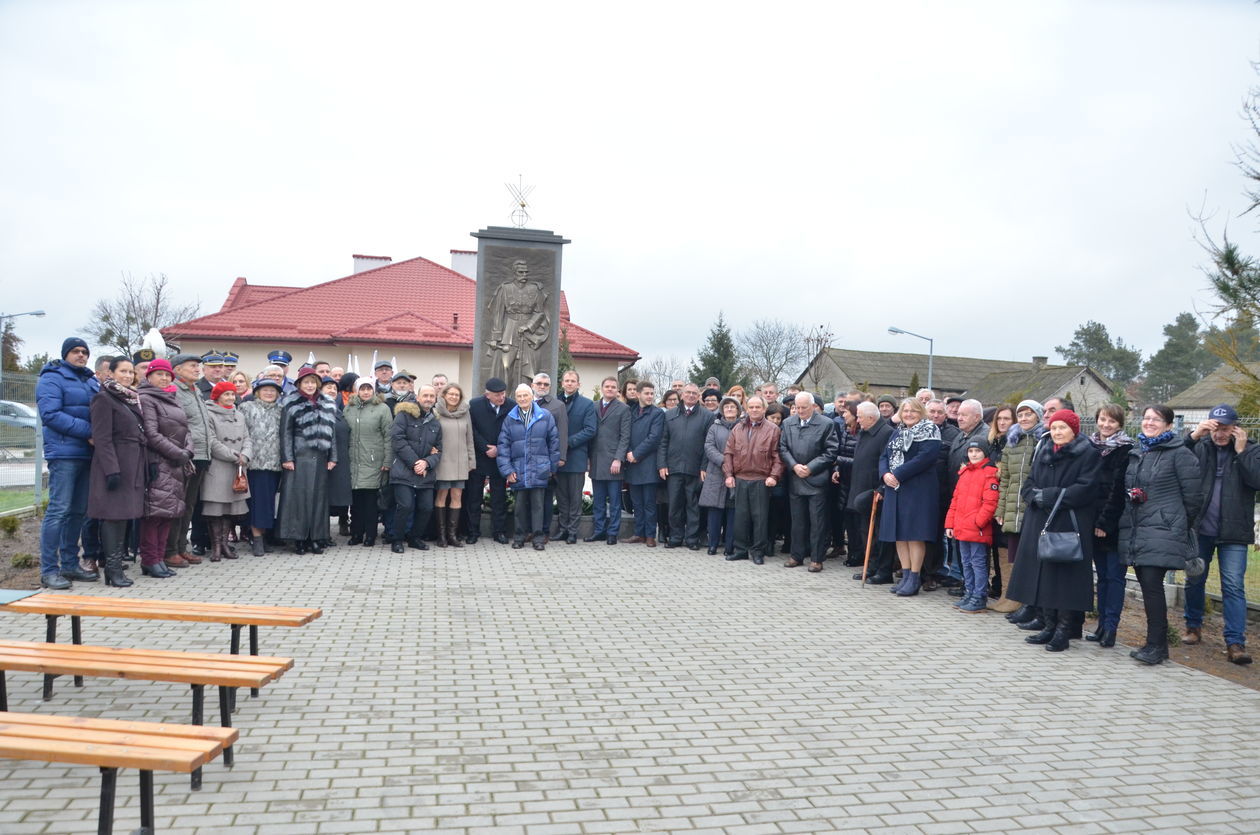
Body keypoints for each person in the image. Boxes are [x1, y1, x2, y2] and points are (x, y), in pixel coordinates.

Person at [1006, 409, 1102, 653]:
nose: (1057, 432)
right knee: (1043, 575)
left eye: (1063, 428)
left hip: (1069, 522)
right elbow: (1029, 481)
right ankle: (1048, 625)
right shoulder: (1044, 447)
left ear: (1074, 430)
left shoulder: (1088, 453)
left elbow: (1087, 487)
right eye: (1055, 427)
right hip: (1040, 519)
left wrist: (1052, 496)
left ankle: (1064, 630)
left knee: (1064, 579)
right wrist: (1033, 496)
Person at [1117, 405, 1204, 665]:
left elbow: (1194, 499)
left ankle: (1157, 645)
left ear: (1168, 425)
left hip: (1164, 531)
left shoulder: (1180, 454)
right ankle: (1155, 644)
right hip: (1138, 528)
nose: (1149, 422)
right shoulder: (1137, 453)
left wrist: (1174, 522)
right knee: (1147, 586)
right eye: (1146, 418)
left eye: (1155, 419)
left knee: (1153, 587)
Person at [1183, 404, 1259, 664]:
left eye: (1225, 429)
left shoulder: (1251, 450)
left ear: (1236, 429)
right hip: (1200, 528)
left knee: (1233, 586)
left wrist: (1241, 452)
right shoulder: (1200, 447)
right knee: (1194, 579)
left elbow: (1256, 481)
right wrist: (1194, 435)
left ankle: (1235, 642)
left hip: (1234, 532)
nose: (1220, 434)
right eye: (1216, 428)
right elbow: (1175, 460)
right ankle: (1193, 627)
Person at [35, 336, 100, 588]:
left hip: (88, 453)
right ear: (65, 354)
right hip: (64, 454)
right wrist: (89, 431)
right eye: (75, 351)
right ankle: (49, 570)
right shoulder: (52, 378)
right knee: (59, 511)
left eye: (85, 351)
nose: (81, 355)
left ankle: (71, 565)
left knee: (77, 512)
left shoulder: (90, 380)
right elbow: (50, 414)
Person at [87, 356, 143, 587]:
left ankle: (116, 567)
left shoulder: (128, 398)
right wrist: (111, 470)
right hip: (114, 466)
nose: (128, 376)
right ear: (110, 373)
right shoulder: (104, 398)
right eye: (123, 371)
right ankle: (112, 568)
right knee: (113, 517)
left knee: (124, 518)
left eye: (131, 372)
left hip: (132, 465)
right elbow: (102, 438)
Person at [878, 398, 942, 596]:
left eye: (913, 411)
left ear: (921, 412)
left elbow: (924, 458)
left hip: (918, 489)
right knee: (899, 534)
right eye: (905, 411)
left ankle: (914, 577)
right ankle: (905, 576)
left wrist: (898, 474)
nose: (908, 414)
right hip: (894, 488)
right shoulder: (898, 431)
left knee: (914, 535)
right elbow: (884, 456)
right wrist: (885, 474)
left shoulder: (930, 430)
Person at [1084, 403, 1134, 647]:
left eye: (1111, 422)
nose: (1106, 425)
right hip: (1092, 521)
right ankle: (1101, 624)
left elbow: (1117, 491)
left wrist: (1105, 522)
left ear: (1119, 425)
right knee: (1101, 577)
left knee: (1114, 578)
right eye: (1102, 419)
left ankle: (1111, 627)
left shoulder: (1126, 450)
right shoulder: (1091, 447)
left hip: (1113, 525)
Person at [136, 359, 192, 578]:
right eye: (159, 374)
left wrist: (188, 450)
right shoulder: (147, 398)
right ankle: (150, 560)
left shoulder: (172, 398)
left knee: (169, 513)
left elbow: (185, 430)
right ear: (148, 377)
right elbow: (151, 433)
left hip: (176, 463)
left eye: (167, 375)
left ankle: (159, 558)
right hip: (158, 461)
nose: (164, 378)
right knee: (154, 514)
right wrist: (177, 453)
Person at [279, 365, 339, 554]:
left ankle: (316, 537)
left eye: (313, 382)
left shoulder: (328, 403)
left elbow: (332, 434)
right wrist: (287, 457)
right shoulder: (291, 403)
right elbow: (285, 433)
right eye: (306, 382)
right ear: (299, 384)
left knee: (319, 500)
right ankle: (298, 539)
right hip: (299, 457)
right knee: (297, 499)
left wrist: (333, 457)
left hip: (321, 458)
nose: (310, 385)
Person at [779, 391, 839, 572]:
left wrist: (810, 467)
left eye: (804, 407)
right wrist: (794, 466)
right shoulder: (788, 423)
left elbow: (831, 451)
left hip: (816, 480)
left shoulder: (827, 424)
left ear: (813, 406)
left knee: (817, 521)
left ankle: (816, 558)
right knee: (797, 521)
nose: (800, 411)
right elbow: (783, 448)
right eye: (797, 407)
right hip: (795, 478)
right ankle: (796, 555)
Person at [998, 400, 1047, 619]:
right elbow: (1005, 479)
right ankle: (1013, 599)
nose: (1025, 418)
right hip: (1012, 506)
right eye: (1021, 414)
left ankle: (1031, 604)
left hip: (1033, 507)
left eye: (1029, 414)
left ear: (1038, 416)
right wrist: (1001, 509)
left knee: (1032, 557)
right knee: (1014, 555)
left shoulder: (1042, 440)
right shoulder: (1012, 441)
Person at [838, 401, 895, 583]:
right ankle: (870, 567)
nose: (858, 420)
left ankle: (883, 570)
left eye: (860, 417)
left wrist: (881, 488)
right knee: (865, 531)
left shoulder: (886, 433)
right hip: (860, 488)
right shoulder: (864, 432)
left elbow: (887, 462)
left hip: (876, 491)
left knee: (879, 533)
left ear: (871, 418)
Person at [722, 395, 783, 564]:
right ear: (746, 409)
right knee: (740, 517)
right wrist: (728, 475)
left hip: (761, 479)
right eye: (751, 407)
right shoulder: (737, 429)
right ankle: (740, 550)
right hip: (740, 478)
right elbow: (728, 453)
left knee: (760, 517)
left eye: (758, 407)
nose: (754, 410)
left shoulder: (773, 430)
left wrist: (774, 476)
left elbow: (778, 456)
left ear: (764, 409)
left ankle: (758, 551)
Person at [498, 384, 560, 549]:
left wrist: (551, 468)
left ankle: (538, 539)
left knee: (538, 507)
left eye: (526, 395)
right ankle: (519, 538)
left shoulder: (545, 416)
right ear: (516, 398)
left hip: (539, 469)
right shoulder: (510, 418)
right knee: (519, 508)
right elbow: (503, 446)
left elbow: (554, 443)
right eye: (519, 396)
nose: (523, 399)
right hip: (518, 470)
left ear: (532, 396)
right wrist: (507, 470)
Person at [944, 439, 1000, 612]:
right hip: (961, 526)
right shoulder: (965, 473)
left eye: (977, 451)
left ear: (985, 453)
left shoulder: (990, 473)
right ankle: (969, 592)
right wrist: (950, 524)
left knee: (978, 563)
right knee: (966, 562)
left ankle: (979, 596)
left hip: (977, 529)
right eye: (971, 451)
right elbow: (955, 501)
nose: (974, 454)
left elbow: (990, 503)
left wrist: (979, 522)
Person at [202, 381, 252, 562]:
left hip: (237, 467)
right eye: (226, 394)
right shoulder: (208, 414)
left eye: (232, 394)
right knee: (216, 509)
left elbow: (247, 438)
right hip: (218, 466)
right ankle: (215, 547)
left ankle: (224, 545)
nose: (230, 397)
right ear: (217, 396)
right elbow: (212, 441)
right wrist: (233, 455)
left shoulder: (239, 415)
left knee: (230, 510)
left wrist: (245, 455)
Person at [390, 384, 442, 553]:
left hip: (425, 473)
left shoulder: (435, 422)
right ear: (417, 397)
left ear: (435, 399)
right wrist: (415, 463)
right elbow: (398, 441)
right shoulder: (403, 416)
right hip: (403, 471)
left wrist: (427, 463)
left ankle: (414, 538)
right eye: (425, 395)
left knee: (427, 507)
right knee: (405, 506)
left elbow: (439, 449)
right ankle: (397, 539)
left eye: (431, 396)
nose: (428, 399)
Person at [659, 383, 709, 550]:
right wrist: (662, 464)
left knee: (693, 506)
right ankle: (675, 537)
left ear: (698, 396)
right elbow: (663, 441)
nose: (691, 395)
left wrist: (704, 467)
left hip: (695, 469)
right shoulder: (670, 415)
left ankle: (692, 539)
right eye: (688, 392)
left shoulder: (707, 416)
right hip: (673, 468)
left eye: (694, 393)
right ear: (681, 395)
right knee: (674, 505)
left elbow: (708, 445)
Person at [345, 376, 392, 547]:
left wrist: (387, 460)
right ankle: (356, 533)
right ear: (356, 390)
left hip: (373, 461)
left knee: (370, 502)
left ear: (374, 390)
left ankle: (370, 535)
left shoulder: (382, 409)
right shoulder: (349, 409)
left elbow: (389, 436)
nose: (365, 392)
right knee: (355, 502)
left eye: (369, 389)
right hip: (353, 461)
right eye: (362, 389)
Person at [239, 377, 284, 555]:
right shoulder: (246, 408)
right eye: (265, 389)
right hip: (254, 463)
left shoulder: (282, 410)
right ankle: (256, 539)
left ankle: (265, 537)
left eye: (273, 390)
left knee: (270, 504)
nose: (269, 393)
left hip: (275, 463)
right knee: (257, 503)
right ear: (257, 392)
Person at [486, 259, 550, 386]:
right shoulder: (505, 289)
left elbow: (539, 312)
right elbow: (498, 314)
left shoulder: (535, 289)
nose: (524, 275)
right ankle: (504, 398)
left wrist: (528, 326)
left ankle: (526, 398)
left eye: (526, 272)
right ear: (514, 273)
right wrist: (495, 338)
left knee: (529, 371)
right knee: (505, 367)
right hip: (509, 331)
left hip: (529, 333)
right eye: (521, 272)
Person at [466, 377, 511, 544]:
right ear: (487, 395)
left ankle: (499, 532)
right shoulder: (475, 405)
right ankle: (473, 532)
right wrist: (485, 447)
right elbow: (472, 430)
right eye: (497, 395)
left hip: (500, 457)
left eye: (503, 394)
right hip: (480, 456)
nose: (501, 398)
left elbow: (512, 430)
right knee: (474, 497)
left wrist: (499, 448)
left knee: (499, 497)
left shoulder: (511, 405)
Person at [586, 376, 631, 544]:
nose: (610, 389)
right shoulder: (593, 406)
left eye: (613, 387)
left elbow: (625, 436)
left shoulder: (623, 409)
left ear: (617, 390)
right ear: (602, 388)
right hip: (597, 459)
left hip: (614, 461)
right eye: (607, 386)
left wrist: (619, 458)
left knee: (614, 501)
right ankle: (599, 531)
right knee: (598, 500)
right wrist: (588, 458)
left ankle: (613, 532)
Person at [554, 370, 597, 544]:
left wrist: (568, 442)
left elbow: (590, 430)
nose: (570, 383)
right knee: (562, 497)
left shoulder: (587, 405)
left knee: (575, 497)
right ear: (562, 383)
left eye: (573, 381)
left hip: (576, 456)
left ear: (578, 384)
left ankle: (572, 531)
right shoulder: (554, 402)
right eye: (567, 380)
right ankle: (563, 529)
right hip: (557, 457)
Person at [433, 382, 476, 548]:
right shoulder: (436, 412)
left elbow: (469, 438)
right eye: (450, 394)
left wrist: (471, 460)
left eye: (456, 395)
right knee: (442, 495)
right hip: (442, 461)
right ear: (444, 395)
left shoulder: (465, 413)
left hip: (460, 461)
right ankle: (441, 536)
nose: (453, 397)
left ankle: (452, 535)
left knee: (457, 496)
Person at [625, 381, 664, 546]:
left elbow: (654, 438)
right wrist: (628, 452)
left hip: (647, 463)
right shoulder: (631, 411)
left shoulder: (657, 413)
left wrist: (636, 453)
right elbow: (624, 433)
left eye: (651, 394)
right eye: (646, 393)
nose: (649, 396)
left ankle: (650, 535)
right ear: (638, 394)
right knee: (636, 503)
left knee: (649, 502)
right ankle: (638, 533)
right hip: (632, 464)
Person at [700, 397, 740, 555]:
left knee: (732, 512)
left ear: (738, 410)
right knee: (714, 511)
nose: (730, 409)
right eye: (727, 407)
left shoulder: (743, 427)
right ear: (722, 410)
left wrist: (734, 463)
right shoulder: (714, 427)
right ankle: (713, 545)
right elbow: (708, 446)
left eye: (733, 407)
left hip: (736, 473)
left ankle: (729, 546)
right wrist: (724, 460)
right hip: (716, 472)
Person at [531, 373, 568, 540]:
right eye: (539, 383)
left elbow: (562, 433)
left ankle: (544, 531)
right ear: (532, 385)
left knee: (545, 498)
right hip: (526, 458)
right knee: (527, 497)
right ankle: (529, 530)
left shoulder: (557, 405)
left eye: (546, 384)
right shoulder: (524, 401)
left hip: (546, 458)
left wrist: (560, 457)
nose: (542, 387)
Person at [322, 377, 352, 545]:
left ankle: (340, 523)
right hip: (324, 460)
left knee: (338, 496)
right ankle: (323, 533)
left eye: (334, 388)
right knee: (324, 499)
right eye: (328, 387)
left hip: (340, 458)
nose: (332, 390)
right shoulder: (318, 408)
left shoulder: (339, 410)